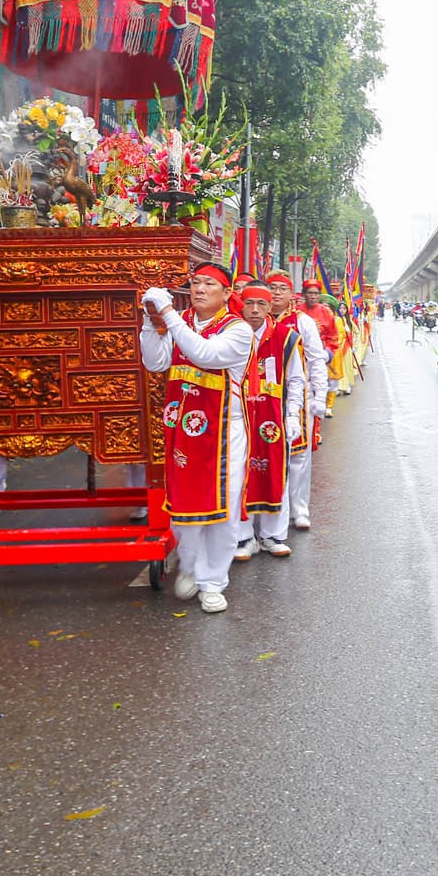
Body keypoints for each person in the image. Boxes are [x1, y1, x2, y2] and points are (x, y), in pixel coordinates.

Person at [140, 263, 253, 614]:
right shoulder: (181, 320)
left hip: (225, 431)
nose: (200, 289)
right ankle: (189, 566)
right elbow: (157, 363)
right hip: (185, 428)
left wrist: (170, 314)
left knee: (223, 507)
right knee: (183, 503)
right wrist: (150, 322)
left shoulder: (239, 329)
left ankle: (213, 581)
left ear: (226, 293)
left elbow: (205, 354)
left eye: (209, 284)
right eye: (196, 283)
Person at [234, 280, 296, 560]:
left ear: (271, 306)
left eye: (261, 303)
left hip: (273, 417)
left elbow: (295, 380)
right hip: (238, 416)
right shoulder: (229, 334)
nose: (255, 310)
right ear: (240, 305)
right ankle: (244, 536)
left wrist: (293, 414)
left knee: (274, 471)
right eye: (249, 303)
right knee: (240, 473)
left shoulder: (286, 337)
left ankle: (272, 534)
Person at [266, 270, 328, 532]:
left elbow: (316, 359)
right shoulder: (256, 319)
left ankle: (299, 509)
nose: (277, 292)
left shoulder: (302, 322)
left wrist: (320, 395)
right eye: (272, 287)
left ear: (292, 294)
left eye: (282, 288)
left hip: (298, 396)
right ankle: (271, 509)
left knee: (298, 455)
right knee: (268, 454)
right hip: (266, 395)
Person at [299, 280, 344, 415]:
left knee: (319, 388)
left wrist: (328, 352)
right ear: (304, 294)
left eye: (316, 293)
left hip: (319, 358)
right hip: (300, 357)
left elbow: (333, 336)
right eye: (310, 293)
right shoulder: (296, 311)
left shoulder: (326, 313)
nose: (313, 296)